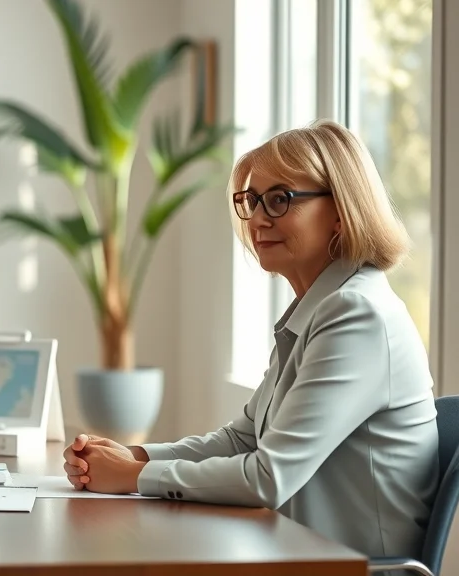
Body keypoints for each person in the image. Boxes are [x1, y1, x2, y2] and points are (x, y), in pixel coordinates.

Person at [63, 119, 439, 560]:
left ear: (341, 211)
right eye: (252, 200)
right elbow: (242, 440)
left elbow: (269, 475)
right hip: (299, 553)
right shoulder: (320, 309)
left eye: (280, 199)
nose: (258, 219)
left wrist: (132, 477)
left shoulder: (356, 314)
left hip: (357, 570)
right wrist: (134, 455)